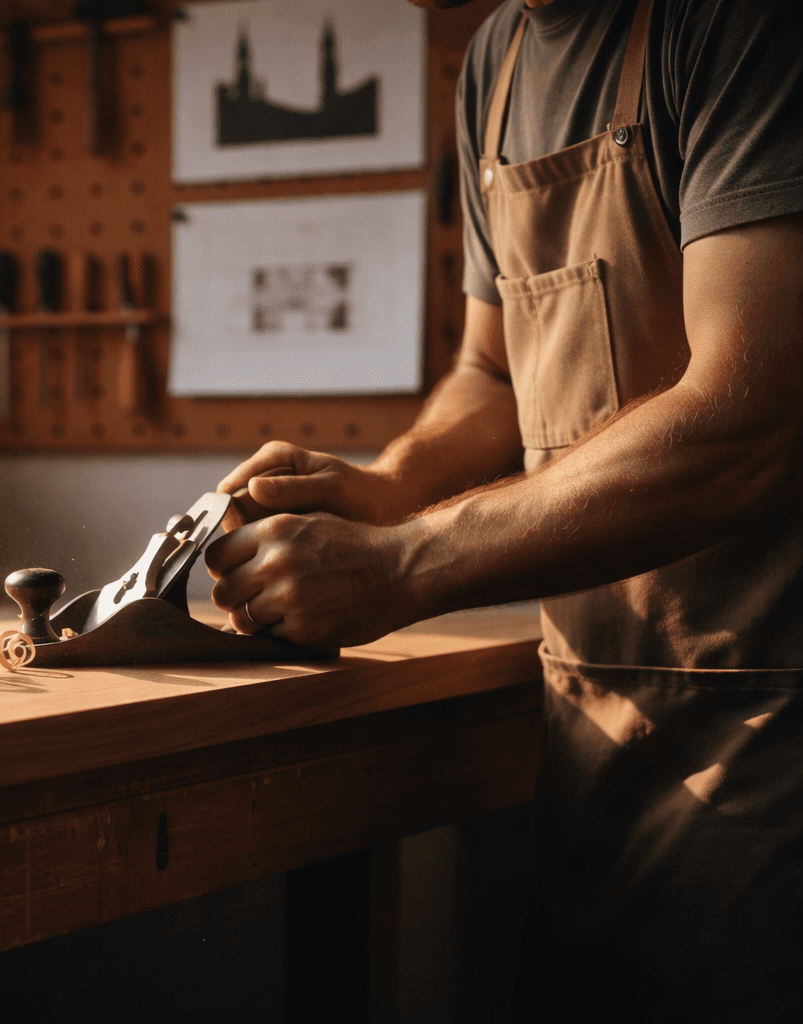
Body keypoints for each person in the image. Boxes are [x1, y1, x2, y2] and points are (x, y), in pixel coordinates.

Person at [205, 0, 803, 1018]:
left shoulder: (739, 24)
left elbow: (747, 417)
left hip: (769, 728)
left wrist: (402, 562)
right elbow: (492, 369)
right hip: (589, 722)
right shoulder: (499, 56)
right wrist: (388, 484)